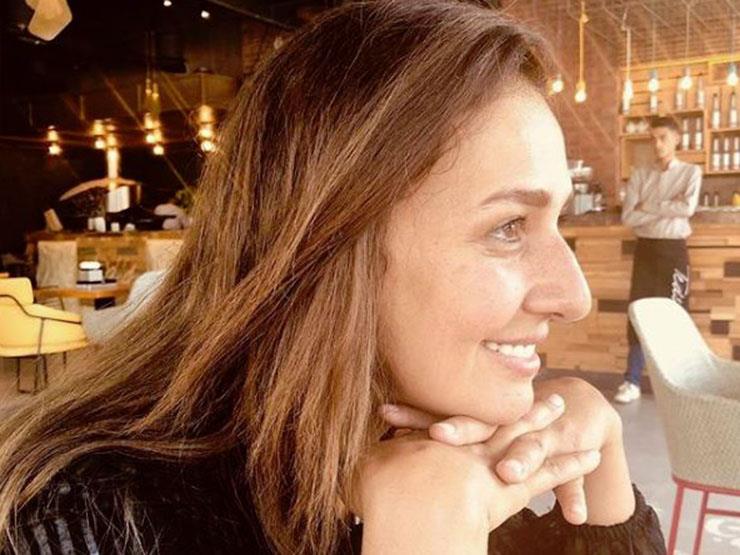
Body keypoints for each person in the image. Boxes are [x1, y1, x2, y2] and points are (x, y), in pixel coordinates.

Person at [0, 2, 666, 553]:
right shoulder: (85, 520)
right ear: (327, 248)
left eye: (558, 223)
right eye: (508, 227)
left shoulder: (475, 451)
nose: (574, 297)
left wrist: (602, 482)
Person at [615, 116, 702, 404]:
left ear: (677, 138)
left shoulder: (690, 172)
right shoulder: (640, 174)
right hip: (646, 250)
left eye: (663, 137)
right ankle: (632, 381)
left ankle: (679, 385)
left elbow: (686, 209)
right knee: (638, 313)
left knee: (676, 314)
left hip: (674, 250)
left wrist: (648, 206)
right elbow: (629, 217)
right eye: (653, 138)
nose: (657, 144)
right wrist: (668, 208)